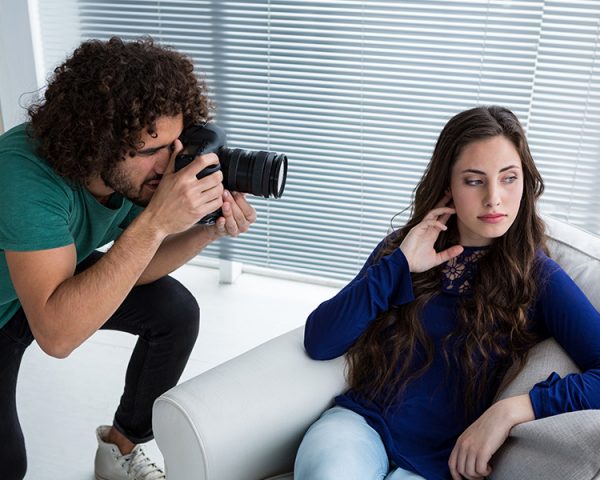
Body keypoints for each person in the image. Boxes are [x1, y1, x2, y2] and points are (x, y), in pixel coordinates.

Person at [294, 105, 600, 480]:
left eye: (508, 178)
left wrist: (511, 410)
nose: (494, 198)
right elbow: (320, 341)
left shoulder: (538, 277)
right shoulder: (402, 248)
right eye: (474, 180)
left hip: (444, 465)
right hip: (358, 426)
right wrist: (401, 264)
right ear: (448, 185)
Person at [0, 37, 256, 480]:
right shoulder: (24, 177)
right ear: (94, 141)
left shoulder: (132, 175)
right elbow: (57, 336)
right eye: (150, 150)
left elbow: (135, 268)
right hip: (17, 307)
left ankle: (118, 451)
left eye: (175, 144)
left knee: (173, 311)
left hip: (41, 285)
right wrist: (156, 222)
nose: (169, 164)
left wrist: (209, 227)